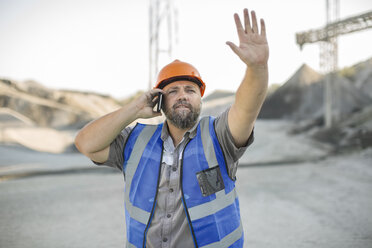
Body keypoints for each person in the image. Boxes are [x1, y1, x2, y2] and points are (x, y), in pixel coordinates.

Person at [75, 8, 269, 248]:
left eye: (190, 90)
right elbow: (85, 143)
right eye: (172, 91)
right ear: (159, 99)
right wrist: (134, 109)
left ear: (200, 99)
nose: (182, 96)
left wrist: (257, 69)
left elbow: (246, 108)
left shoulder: (219, 137)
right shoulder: (135, 141)